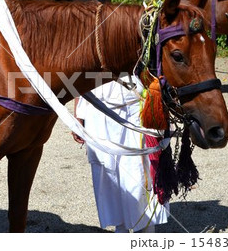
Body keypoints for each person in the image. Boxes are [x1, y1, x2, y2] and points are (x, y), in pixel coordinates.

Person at [72, 75, 168, 233]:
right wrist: (79, 115)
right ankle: (121, 227)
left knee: (137, 170)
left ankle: (145, 228)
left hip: (133, 108)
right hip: (97, 109)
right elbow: (80, 69)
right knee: (109, 173)